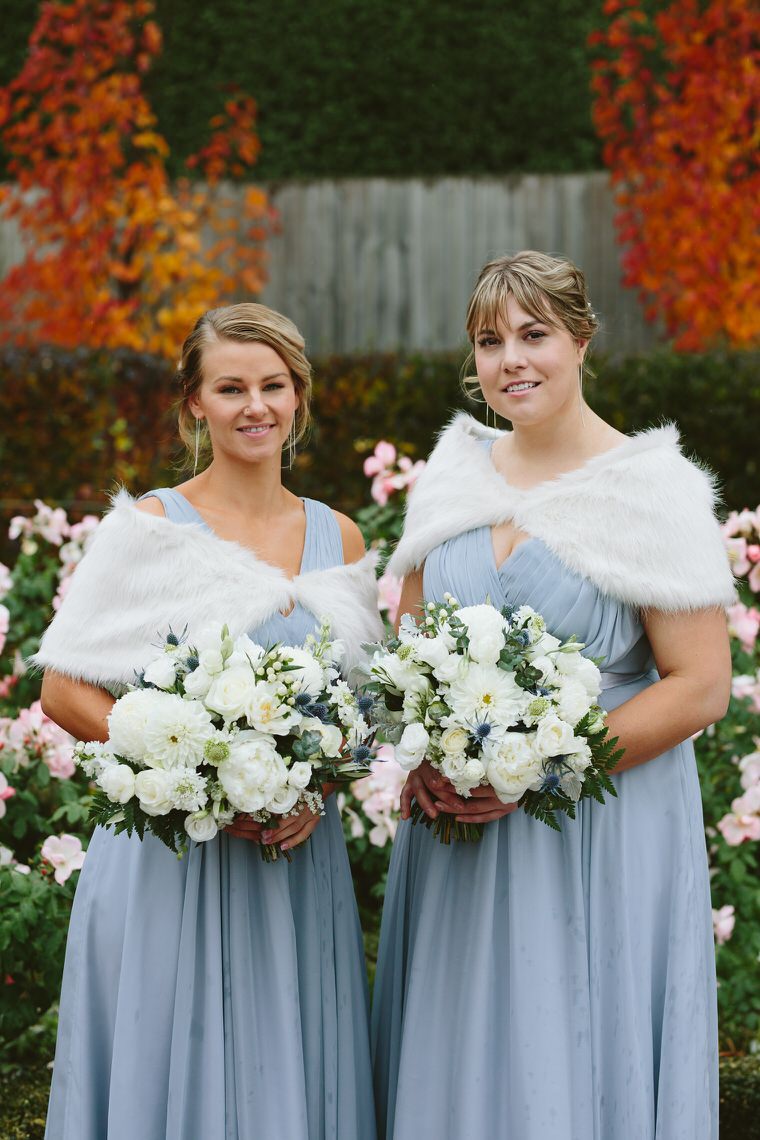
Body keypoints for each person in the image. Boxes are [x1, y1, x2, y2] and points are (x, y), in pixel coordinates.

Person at [371, 251, 735, 1140]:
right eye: (491, 341)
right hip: (459, 825)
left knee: (573, 1037)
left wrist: (540, 770)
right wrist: (421, 758)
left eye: (534, 334)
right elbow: (411, 647)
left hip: (593, 826)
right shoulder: (453, 472)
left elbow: (700, 686)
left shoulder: (650, 488)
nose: (512, 360)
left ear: (580, 338)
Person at [35, 303, 383, 1140]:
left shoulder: (341, 537)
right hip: (174, 860)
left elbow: (363, 711)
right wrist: (205, 778)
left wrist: (318, 780)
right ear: (195, 402)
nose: (254, 406)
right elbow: (64, 688)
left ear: (298, 396)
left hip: (296, 862)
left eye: (272, 385)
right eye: (231, 388)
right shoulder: (152, 528)